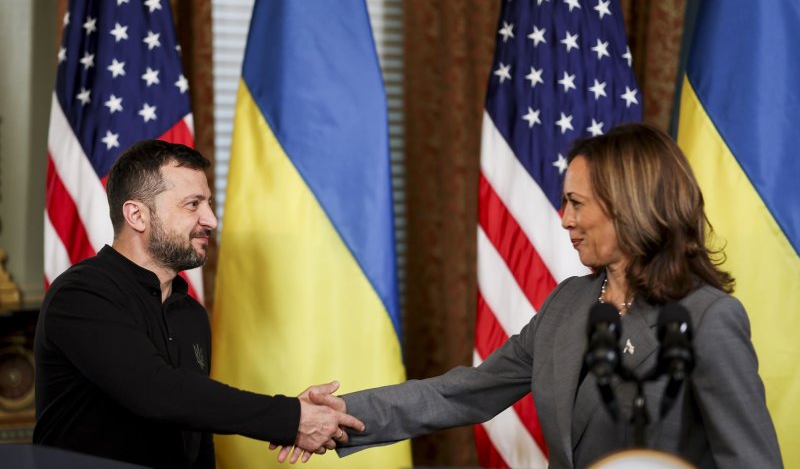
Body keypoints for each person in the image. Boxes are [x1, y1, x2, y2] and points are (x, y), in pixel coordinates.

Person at [276, 123, 783, 468]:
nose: (564, 220)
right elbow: (463, 393)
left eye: (576, 203)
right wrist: (335, 414)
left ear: (631, 206)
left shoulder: (709, 317)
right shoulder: (568, 303)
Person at [34, 140, 361, 468]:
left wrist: (295, 416)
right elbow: (156, 392)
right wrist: (290, 418)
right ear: (136, 215)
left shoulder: (190, 313)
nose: (211, 220)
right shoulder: (81, 294)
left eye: (208, 204)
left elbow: (196, 426)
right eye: (193, 204)